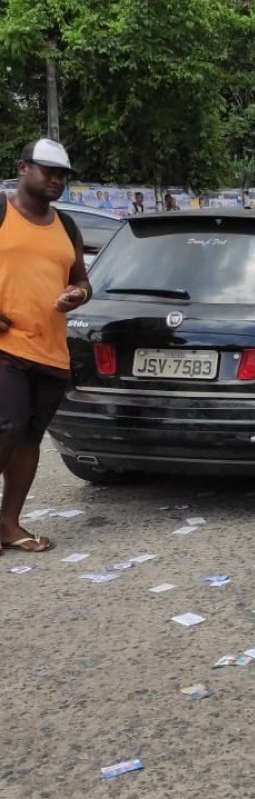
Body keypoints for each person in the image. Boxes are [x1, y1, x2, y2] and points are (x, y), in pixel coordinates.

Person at [0, 139, 91, 553]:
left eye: (63, 174)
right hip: (6, 347)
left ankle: (9, 524)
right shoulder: (1, 212)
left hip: (51, 351)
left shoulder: (67, 225)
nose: (57, 179)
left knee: (30, 439)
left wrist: (78, 294)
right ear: (22, 168)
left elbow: (81, 279)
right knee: (7, 427)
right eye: (48, 170)